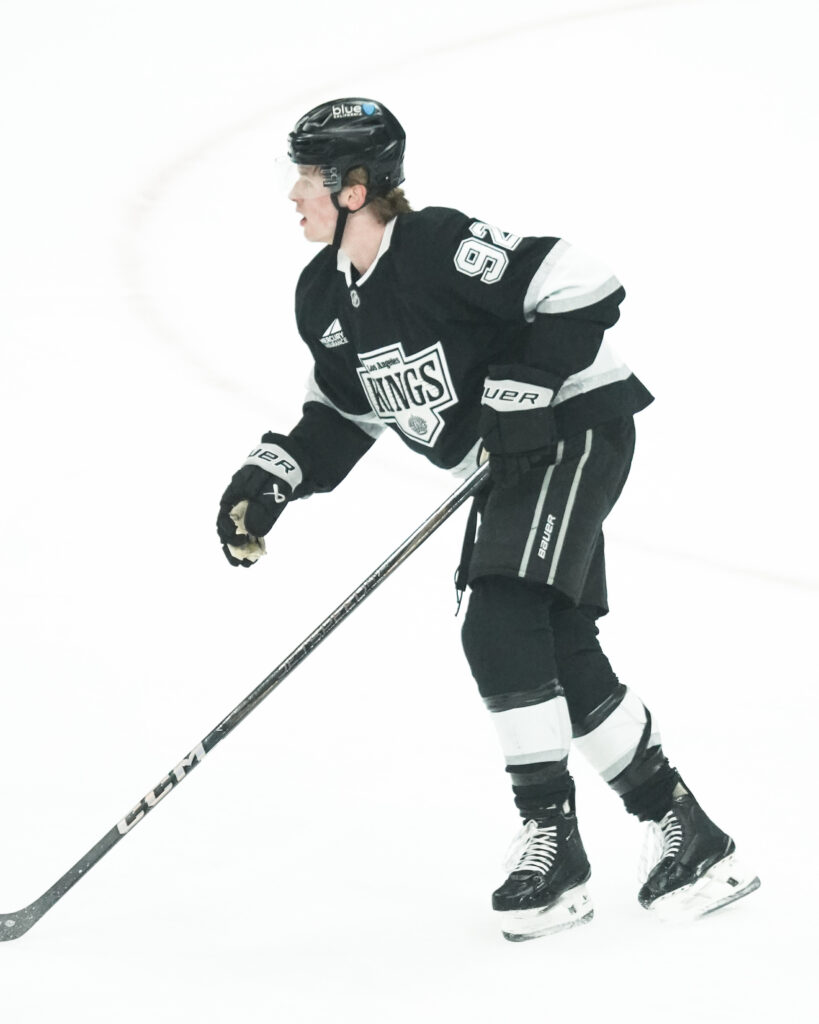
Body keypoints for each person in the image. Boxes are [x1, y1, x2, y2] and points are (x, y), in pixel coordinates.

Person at [216, 97, 759, 941]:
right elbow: (344, 410)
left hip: (572, 427)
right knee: (553, 645)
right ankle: (686, 833)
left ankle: (552, 840)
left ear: (353, 188)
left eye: (307, 180)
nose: (293, 195)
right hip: (507, 462)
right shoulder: (323, 296)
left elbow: (583, 283)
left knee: (498, 622)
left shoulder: (435, 245)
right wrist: (276, 473)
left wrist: (526, 384)